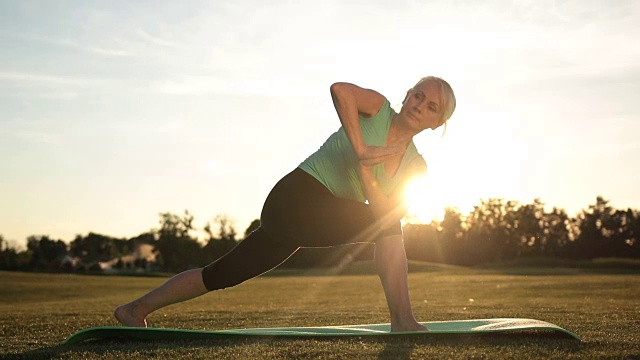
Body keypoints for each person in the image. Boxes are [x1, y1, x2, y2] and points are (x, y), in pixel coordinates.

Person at [114, 76, 456, 332]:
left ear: (436, 123)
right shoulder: (378, 109)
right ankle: (403, 320)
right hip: (294, 198)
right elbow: (340, 91)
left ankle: (134, 310)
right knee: (388, 227)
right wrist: (361, 149)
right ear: (407, 95)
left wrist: (366, 173)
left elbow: (384, 213)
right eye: (418, 96)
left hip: (309, 222)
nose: (419, 106)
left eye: (431, 107)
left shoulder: (415, 167)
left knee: (221, 274)